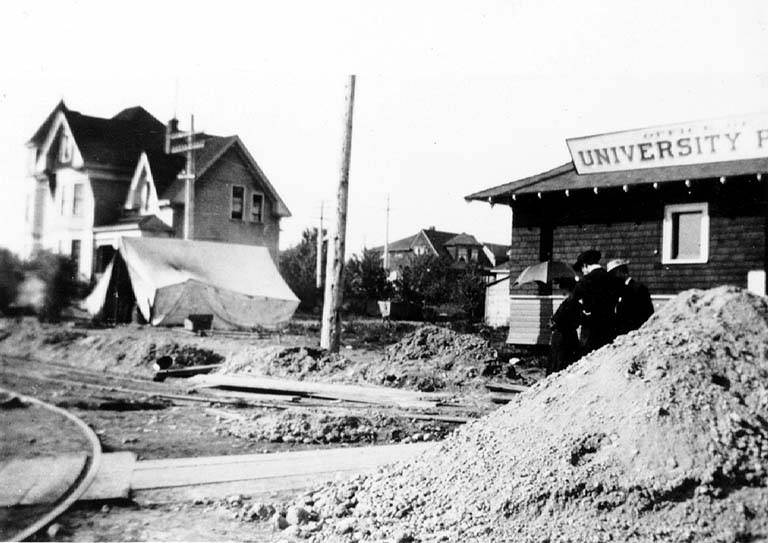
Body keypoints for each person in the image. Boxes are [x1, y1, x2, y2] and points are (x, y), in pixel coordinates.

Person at [573, 249, 619, 355]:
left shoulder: (585, 281)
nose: (582, 272)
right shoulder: (612, 278)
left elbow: (573, 301)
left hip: (591, 329)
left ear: (585, 265)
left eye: (582, 269)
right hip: (609, 326)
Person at [607, 259, 654, 335]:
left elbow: (647, 312)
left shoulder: (638, 288)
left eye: (613, 274)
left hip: (635, 332)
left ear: (619, 272)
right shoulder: (619, 289)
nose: (612, 278)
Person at [548, 277, 580, 375]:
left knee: (560, 365)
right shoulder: (572, 303)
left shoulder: (569, 303)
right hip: (568, 337)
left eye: (562, 290)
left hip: (563, 338)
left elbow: (558, 320)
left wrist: (553, 323)